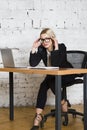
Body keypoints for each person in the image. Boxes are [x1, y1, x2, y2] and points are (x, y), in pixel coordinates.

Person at [29, 28, 76, 130]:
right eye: (42, 39)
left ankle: (62, 101)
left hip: (67, 74)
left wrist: (56, 46)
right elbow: (33, 63)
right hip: (53, 76)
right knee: (44, 85)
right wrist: (34, 48)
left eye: (47, 39)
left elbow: (56, 64)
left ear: (52, 38)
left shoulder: (61, 47)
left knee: (50, 81)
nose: (44, 42)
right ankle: (38, 116)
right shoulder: (41, 49)